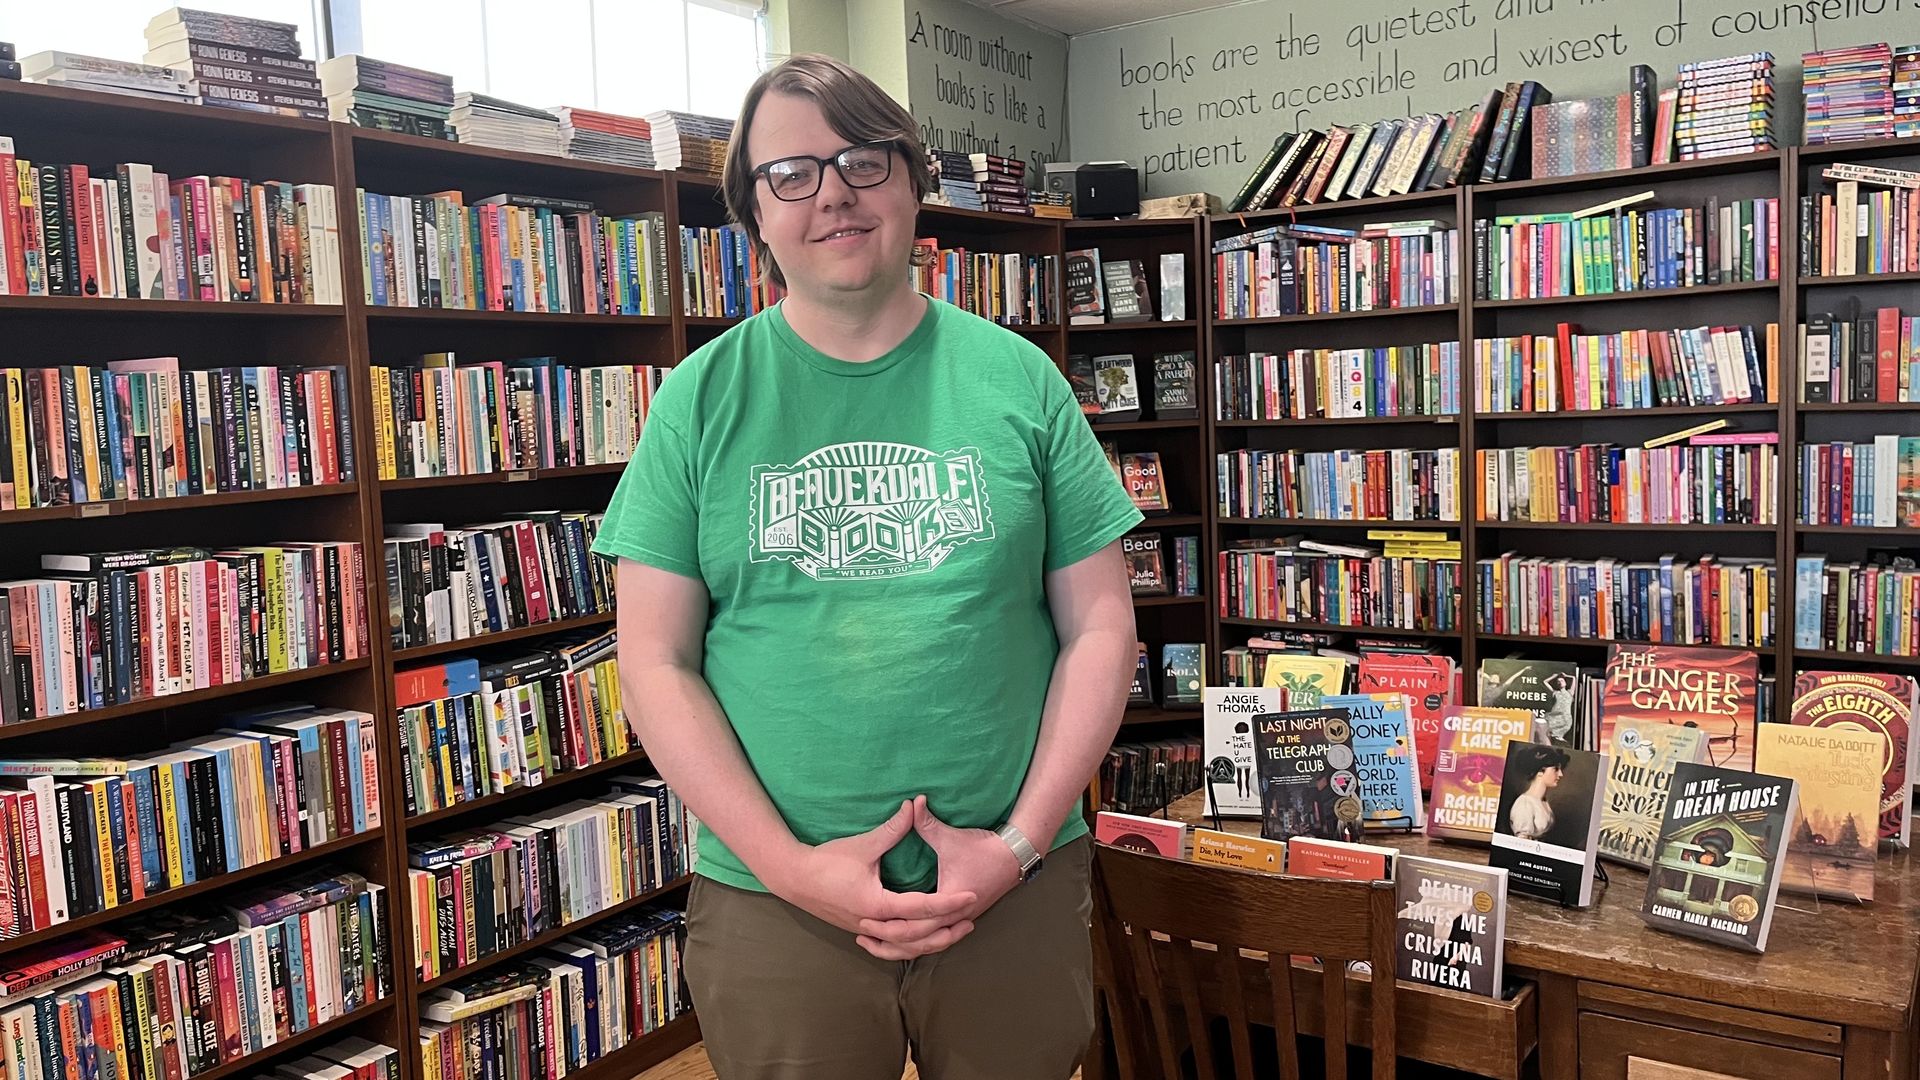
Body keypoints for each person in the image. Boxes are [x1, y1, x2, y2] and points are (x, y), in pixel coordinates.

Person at [590, 53, 1143, 1080]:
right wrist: (791, 869)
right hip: (774, 901)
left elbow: (1102, 626)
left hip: (1013, 885)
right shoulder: (700, 401)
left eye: (862, 159)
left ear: (911, 180)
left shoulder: (1022, 380)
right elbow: (656, 662)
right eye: (790, 173)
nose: (833, 192)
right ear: (753, 213)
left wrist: (1016, 847)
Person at [1507, 744, 1570, 840]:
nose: (1560, 774)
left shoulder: (1543, 801)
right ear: (1540, 771)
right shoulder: (1525, 804)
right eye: (1556, 769)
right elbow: (1522, 843)